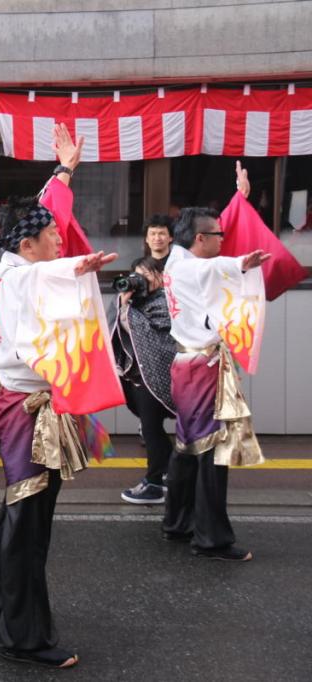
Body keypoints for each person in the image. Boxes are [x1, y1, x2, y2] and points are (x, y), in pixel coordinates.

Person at [0, 123, 119, 669]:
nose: (63, 240)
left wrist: (64, 171)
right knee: (28, 519)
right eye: (54, 240)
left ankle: (1, 600)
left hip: (28, 403)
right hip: (27, 411)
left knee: (18, 509)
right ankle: (24, 636)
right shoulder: (20, 277)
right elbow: (47, 277)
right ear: (27, 245)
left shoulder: (19, 264)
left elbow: (46, 217)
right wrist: (76, 267)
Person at [161, 162, 269, 562]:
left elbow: (209, 249)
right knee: (212, 450)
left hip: (187, 365)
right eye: (220, 235)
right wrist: (244, 263)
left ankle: (177, 522)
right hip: (201, 368)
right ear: (202, 239)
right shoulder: (195, 268)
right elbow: (217, 265)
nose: (226, 240)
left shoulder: (175, 259)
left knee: (189, 446)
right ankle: (210, 538)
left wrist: (238, 198)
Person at [109, 256, 177, 504]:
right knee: (153, 430)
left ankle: (154, 483)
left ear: (160, 277)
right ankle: (172, 472)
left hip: (156, 377)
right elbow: (110, 331)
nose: (141, 280)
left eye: (146, 275)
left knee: (151, 430)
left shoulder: (166, 301)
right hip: (136, 377)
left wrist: (127, 312)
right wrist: (122, 305)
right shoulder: (132, 302)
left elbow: (158, 336)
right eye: (136, 275)